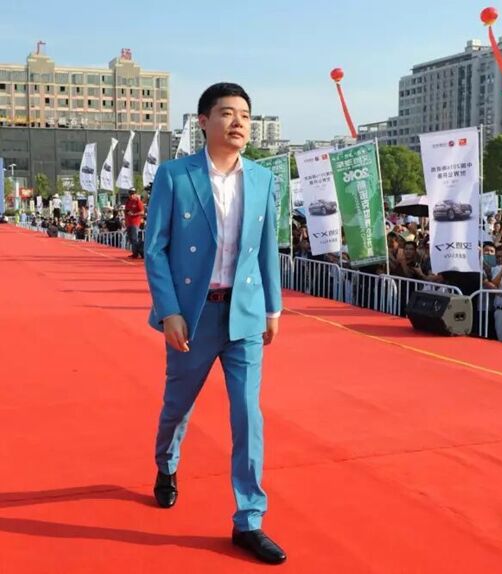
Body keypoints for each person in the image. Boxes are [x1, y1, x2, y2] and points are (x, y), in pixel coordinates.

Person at [144, 83, 286, 565]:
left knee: (248, 413)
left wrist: (272, 309)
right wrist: (169, 311)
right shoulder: (175, 175)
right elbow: (155, 248)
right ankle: (167, 464)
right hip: (193, 314)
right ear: (203, 121)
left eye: (245, 114)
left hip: (243, 313)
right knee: (178, 405)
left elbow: (266, 249)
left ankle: (249, 519)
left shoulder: (263, 179)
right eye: (226, 113)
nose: (238, 122)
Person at [124, 188, 144, 258]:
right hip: (129, 222)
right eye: (130, 194)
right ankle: (137, 252)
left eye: (133, 193)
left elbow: (142, 212)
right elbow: (126, 212)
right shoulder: (128, 201)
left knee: (134, 238)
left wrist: (134, 214)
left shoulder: (138, 201)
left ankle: (136, 253)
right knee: (130, 239)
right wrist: (126, 221)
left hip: (135, 222)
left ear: (135, 194)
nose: (131, 195)